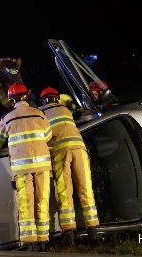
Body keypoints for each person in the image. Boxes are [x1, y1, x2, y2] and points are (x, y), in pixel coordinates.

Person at [0, 82, 52, 252]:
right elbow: (48, 136)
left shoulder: (7, 118)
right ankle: (43, 240)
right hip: (42, 167)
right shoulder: (40, 115)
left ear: (11, 100)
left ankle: (30, 243)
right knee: (41, 202)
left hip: (22, 171)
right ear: (26, 97)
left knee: (25, 203)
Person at [39, 87, 100, 247]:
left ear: (44, 101)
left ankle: (69, 236)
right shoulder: (66, 109)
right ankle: (93, 233)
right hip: (79, 149)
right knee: (86, 190)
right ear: (56, 98)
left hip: (60, 152)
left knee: (64, 193)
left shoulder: (40, 113)